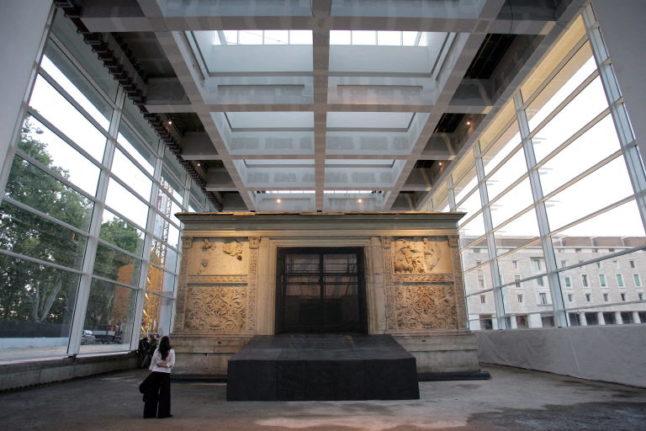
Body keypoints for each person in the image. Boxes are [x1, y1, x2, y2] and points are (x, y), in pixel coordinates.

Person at [143, 336, 175, 419]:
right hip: (165, 374)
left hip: (155, 373)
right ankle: (163, 413)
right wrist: (166, 365)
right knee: (165, 395)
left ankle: (149, 413)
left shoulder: (157, 350)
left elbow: (153, 362)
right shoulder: (171, 351)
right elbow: (172, 364)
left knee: (152, 394)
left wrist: (155, 368)